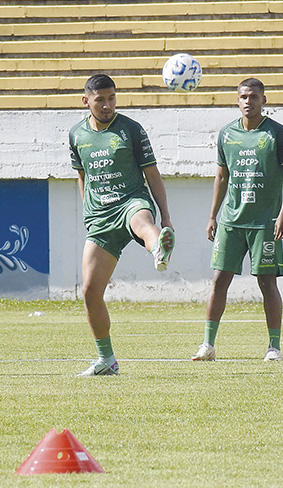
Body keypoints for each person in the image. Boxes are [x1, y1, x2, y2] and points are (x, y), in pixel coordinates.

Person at [68, 74, 175, 376]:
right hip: (100, 217)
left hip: (131, 200)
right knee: (90, 292)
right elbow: (82, 175)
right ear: (85, 100)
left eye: (112, 98)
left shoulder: (130, 129)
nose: (107, 104)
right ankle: (106, 360)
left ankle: (159, 248)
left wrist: (165, 215)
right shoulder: (77, 135)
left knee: (143, 223)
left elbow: (152, 174)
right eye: (100, 99)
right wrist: (88, 210)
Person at [192, 78, 283, 362]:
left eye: (253, 97)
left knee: (267, 283)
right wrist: (213, 216)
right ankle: (208, 345)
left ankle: (274, 346)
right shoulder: (227, 134)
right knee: (219, 280)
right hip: (231, 221)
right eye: (243, 97)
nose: (248, 102)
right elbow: (221, 176)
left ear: (264, 100)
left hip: (264, 223)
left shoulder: (277, 133)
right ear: (237, 100)